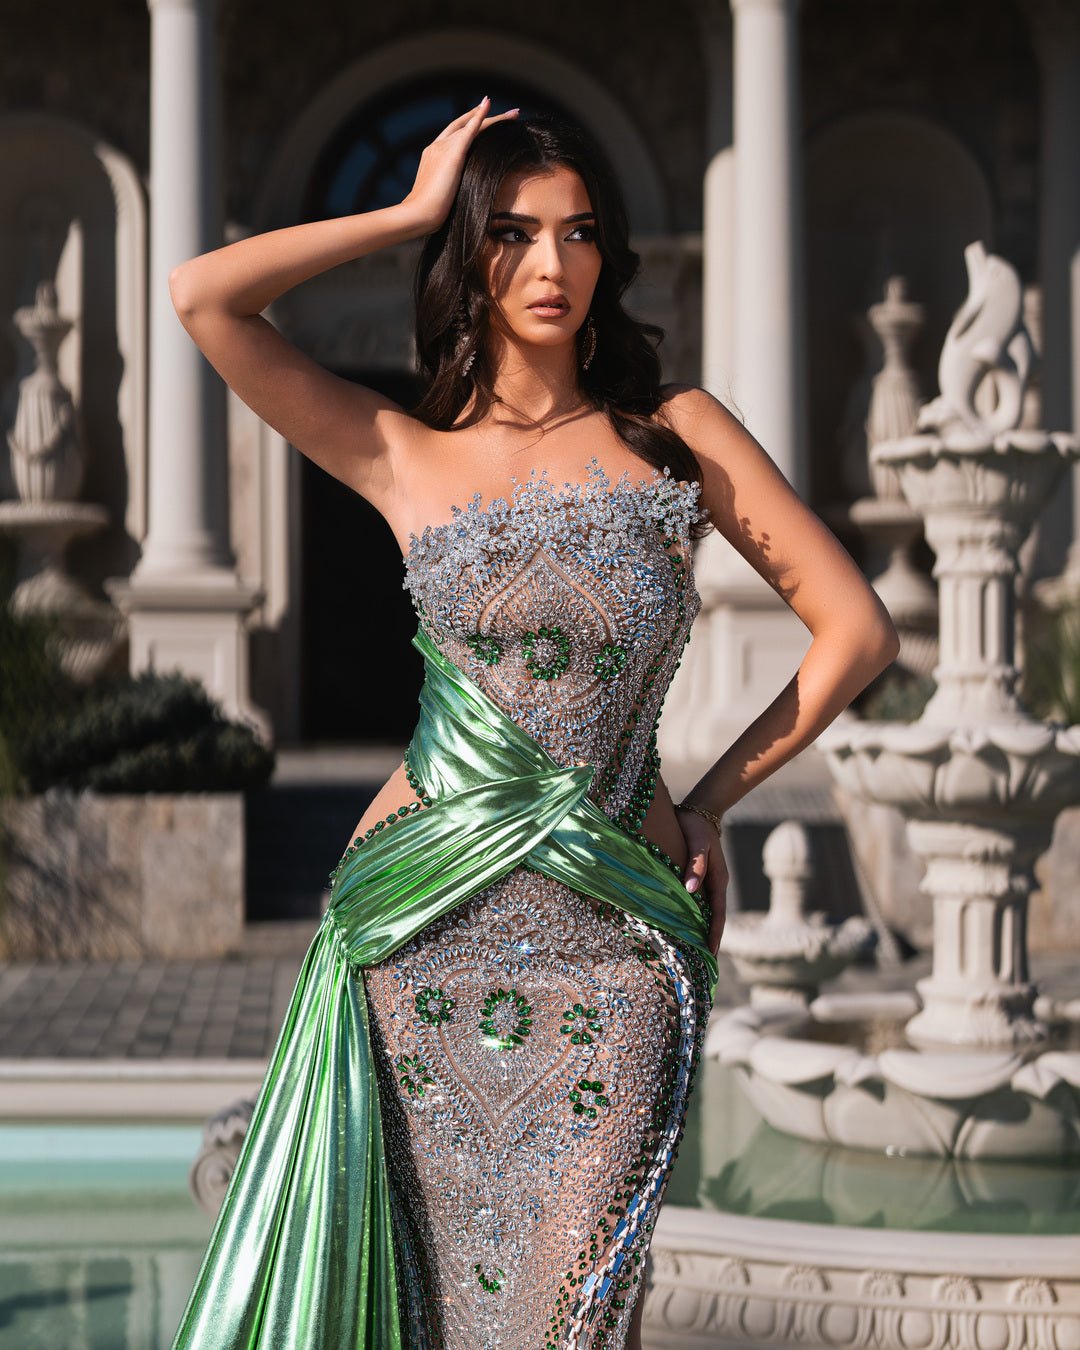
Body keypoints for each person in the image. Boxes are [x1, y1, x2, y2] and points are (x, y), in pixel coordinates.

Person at [166, 99, 899, 1350]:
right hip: (416, 938)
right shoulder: (400, 451)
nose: (552, 264)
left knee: (578, 1318)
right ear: (471, 256)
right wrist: (407, 210)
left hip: (621, 946)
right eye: (511, 234)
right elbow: (204, 298)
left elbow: (856, 631)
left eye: (579, 231)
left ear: (610, 253)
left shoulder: (679, 436)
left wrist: (711, 801)